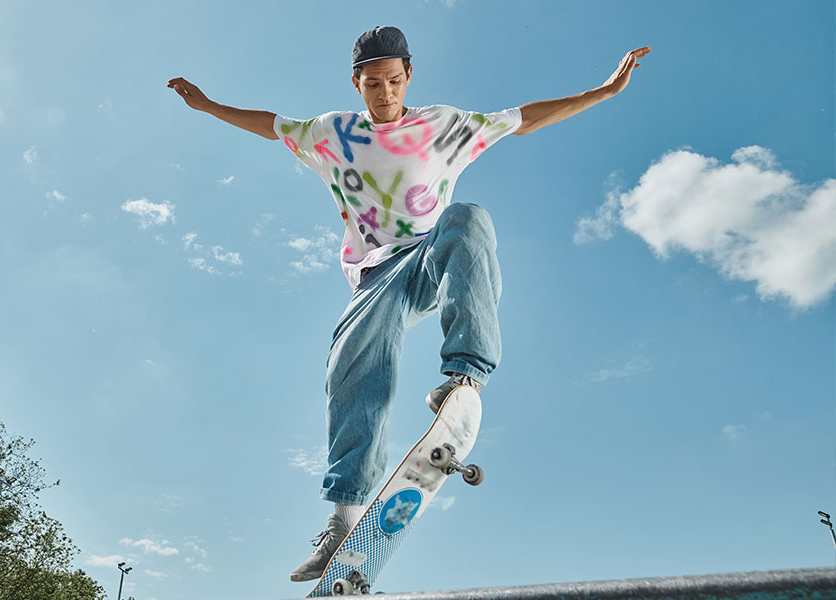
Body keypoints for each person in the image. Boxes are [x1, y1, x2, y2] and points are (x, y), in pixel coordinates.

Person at [168, 26, 649, 581]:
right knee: (350, 365)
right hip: (375, 275)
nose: (385, 94)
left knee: (469, 218)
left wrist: (601, 92)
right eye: (373, 84)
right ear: (356, 83)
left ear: (408, 76)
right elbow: (268, 125)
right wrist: (206, 106)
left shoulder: (444, 125)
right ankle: (345, 521)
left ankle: (463, 379)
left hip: (429, 258)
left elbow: (524, 117)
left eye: (394, 81)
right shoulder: (330, 133)